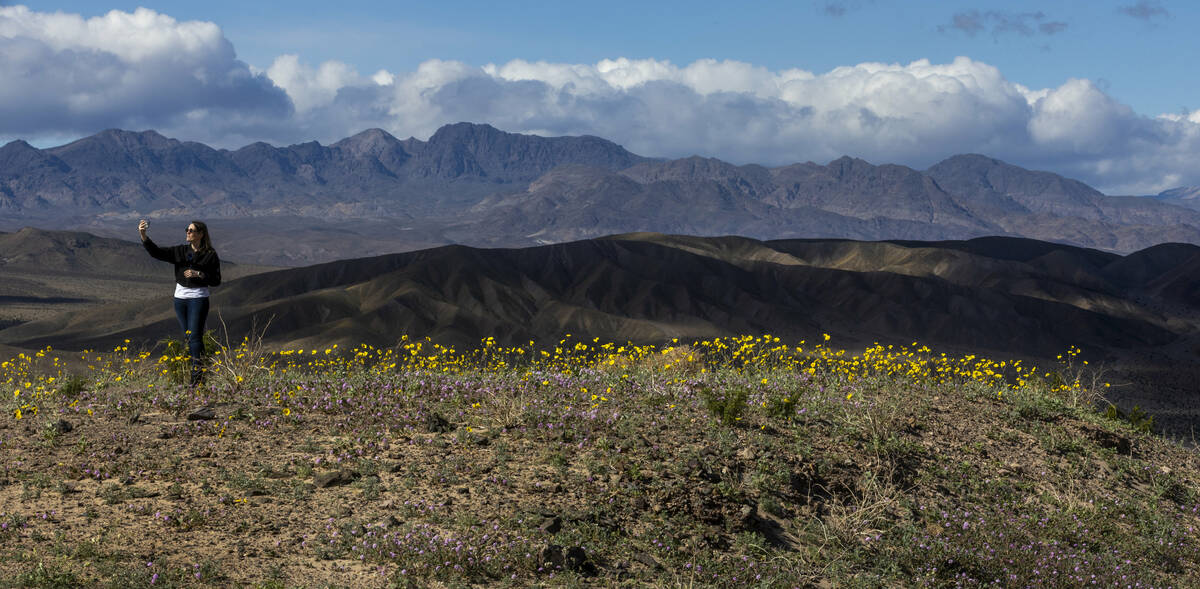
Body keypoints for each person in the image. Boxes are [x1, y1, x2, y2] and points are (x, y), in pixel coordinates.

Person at [138, 219, 221, 387]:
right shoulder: (180, 251)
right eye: (187, 230)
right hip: (180, 298)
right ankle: (201, 373)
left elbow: (216, 280)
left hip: (198, 297)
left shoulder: (210, 255)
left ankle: (196, 380)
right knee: (189, 337)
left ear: (201, 234)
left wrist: (199, 274)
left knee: (195, 336)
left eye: (191, 230)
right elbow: (158, 253)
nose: (187, 233)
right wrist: (143, 235)